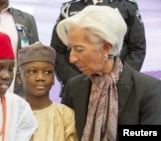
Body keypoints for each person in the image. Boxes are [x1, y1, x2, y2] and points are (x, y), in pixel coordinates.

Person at [56, 5, 161, 141]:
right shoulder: (74, 87)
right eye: (70, 49)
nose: (72, 58)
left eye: (79, 49)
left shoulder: (148, 90)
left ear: (106, 48)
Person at [50, 0, 146, 97]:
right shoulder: (70, 8)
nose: (72, 57)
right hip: (77, 91)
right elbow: (57, 51)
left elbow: (137, 48)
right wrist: (77, 81)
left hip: (119, 89)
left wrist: (120, 79)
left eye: (79, 49)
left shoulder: (127, 7)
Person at [16, 42, 79, 141]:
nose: (40, 77)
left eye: (47, 72)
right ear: (19, 78)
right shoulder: (12, 115)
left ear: (53, 79)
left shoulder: (67, 115)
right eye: (32, 71)